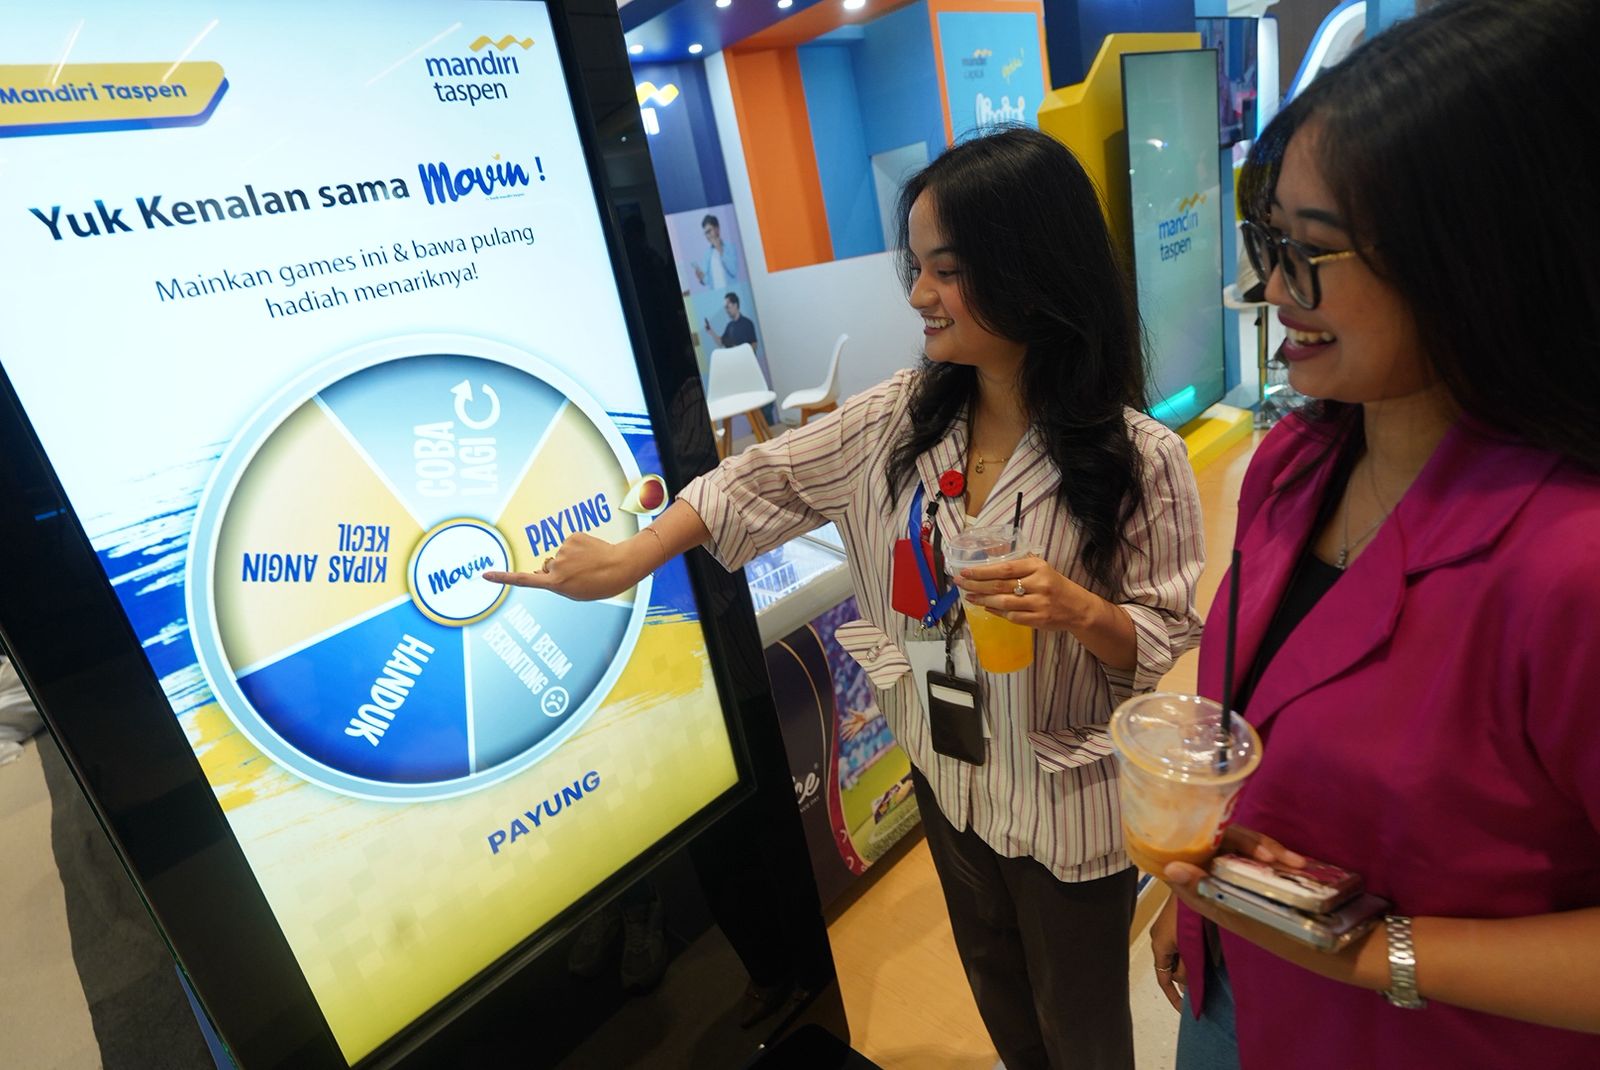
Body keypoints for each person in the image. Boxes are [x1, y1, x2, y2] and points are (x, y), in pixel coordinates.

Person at [486, 126, 1205, 1068]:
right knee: (999, 1000)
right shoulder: (899, 418)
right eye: (917, 267)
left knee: (1082, 1032)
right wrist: (633, 557)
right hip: (949, 779)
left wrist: (1083, 612)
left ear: (1032, 271)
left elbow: (1166, 635)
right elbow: (762, 477)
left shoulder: (1140, 459)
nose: (917, 295)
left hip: (1063, 806)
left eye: (946, 271)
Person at [1146, 2, 1600, 1066]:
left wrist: (1373, 951)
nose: (1271, 289)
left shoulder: (1567, 566)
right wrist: (1195, 899)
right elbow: (1248, 725)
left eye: (1310, 251)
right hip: (1233, 986)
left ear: (1479, 253)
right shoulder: (1295, 464)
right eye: (1269, 242)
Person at [692, 213, 739, 289]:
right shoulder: (707, 254)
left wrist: (720, 250)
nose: (708, 236)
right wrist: (701, 277)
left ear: (717, 229)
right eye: (705, 233)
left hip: (731, 291)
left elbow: (733, 271)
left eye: (709, 231)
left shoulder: (730, 247)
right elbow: (707, 281)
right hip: (717, 293)